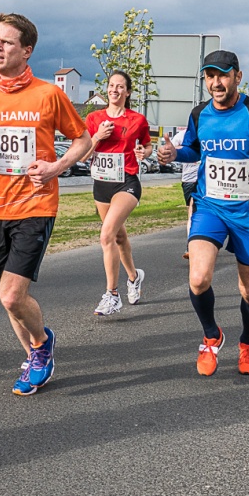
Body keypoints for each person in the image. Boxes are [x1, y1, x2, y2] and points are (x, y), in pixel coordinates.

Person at [0, 13, 90, 396]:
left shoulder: (48, 95)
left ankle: (42, 346)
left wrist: (56, 167)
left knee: (11, 294)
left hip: (36, 204)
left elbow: (82, 140)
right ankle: (33, 355)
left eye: (8, 42)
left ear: (27, 50)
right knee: (7, 298)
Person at [157, 50, 249, 376]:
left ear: (237, 76)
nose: (215, 82)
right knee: (198, 277)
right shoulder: (199, 114)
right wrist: (174, 152)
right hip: (210, 205)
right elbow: (193, 149)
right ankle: (211, 336)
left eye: (222, 75)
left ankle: (246, 341)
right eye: (209, 76)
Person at [86, 70, 153, 316]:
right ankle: (134, 277)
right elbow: (83, 155)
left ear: (127, 92)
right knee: (119, 238)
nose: (114, 90)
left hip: (127, 182)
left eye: (120, 86)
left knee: (106, 236)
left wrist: (144, 153)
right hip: (101, 184)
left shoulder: (137, 120)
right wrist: (97, 137)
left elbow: (147, 146)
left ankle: (112, 295)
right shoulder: (94, 118)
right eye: (111, 85)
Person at [174, 128, 198, 260]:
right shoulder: (183, 135)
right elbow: (170, 148)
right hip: (189, 179)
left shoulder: (212, 129)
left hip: (208, 180)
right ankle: (192, 245)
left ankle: (194, 245)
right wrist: (184, 149)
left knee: (196, 213)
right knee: (192, 213)